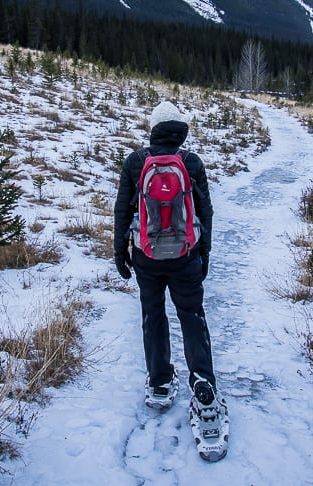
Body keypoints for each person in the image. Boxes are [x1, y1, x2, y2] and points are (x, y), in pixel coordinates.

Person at [113, 100, 219, 410]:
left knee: (153, 314)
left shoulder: (135, 162)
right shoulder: (192, 162)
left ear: (153, 130)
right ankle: (202, 380)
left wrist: (121, 251)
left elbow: (123, 209)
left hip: (147, 256)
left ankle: (159, 380)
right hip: (186, 256)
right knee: (192, 314)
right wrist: (205, 252)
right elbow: (205, 211)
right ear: (179, 132)